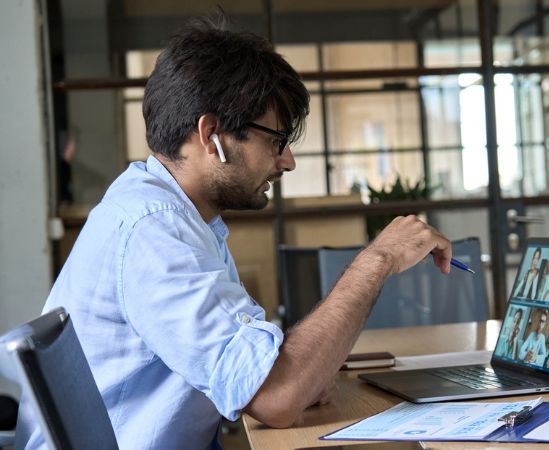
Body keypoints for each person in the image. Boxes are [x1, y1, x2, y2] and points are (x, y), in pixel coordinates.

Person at [14, 18, 453, 450]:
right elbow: (278, 397)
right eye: (275, 140)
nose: (287, 162)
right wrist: (378, 259)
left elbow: (266, 376)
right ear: (212, 136)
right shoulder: (153, 230)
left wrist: (294, 375)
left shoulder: (182, 218)